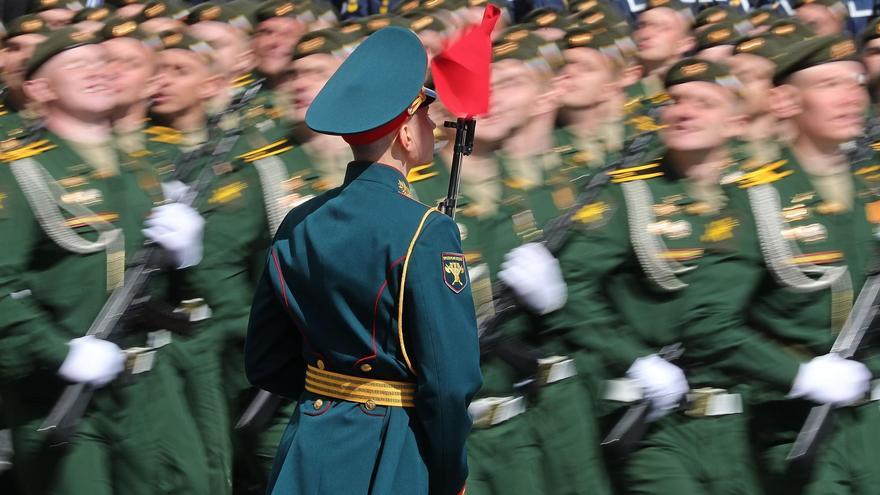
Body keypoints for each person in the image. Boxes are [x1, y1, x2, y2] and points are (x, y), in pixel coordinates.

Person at [245, 26, 481, 494]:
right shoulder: (428, 231)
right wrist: (451, 473)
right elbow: (450, 383)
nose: (435, 126)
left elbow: (266, 361)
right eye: (427, 115)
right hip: (392, 452)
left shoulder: (299, 220)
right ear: (406, 136)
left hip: (309, 447)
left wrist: (334, 395)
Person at [0, 26, 208, 495]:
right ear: (39, 88)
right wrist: (61, 352)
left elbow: (185, 291)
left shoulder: (144, 166)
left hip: (150, 385)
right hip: (61, 392)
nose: (97, 72)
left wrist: (187, 255)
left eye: (102, 63)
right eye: (77, 65)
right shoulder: (20, 170)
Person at [679, 35, 880, 494]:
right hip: (799, 425)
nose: (852, 95)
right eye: (830, 83)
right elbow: (707, 321)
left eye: (856, 82)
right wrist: (800, 374)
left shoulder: (873, 187)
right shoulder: (754, 199)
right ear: (785, 100)